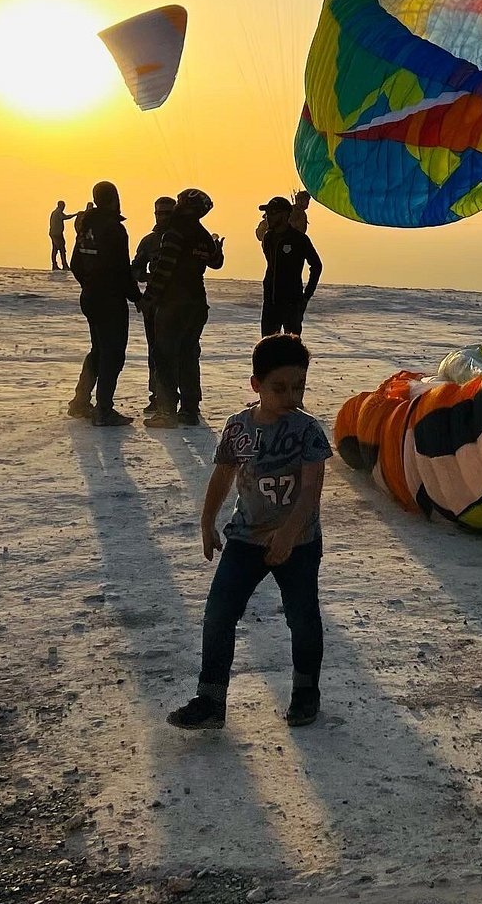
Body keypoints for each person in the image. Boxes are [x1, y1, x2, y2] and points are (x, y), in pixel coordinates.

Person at [166, 333, 331, 730]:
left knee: (302, 617)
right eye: (280, 387)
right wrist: (207, 522)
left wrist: (290, 534)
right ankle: (210, 699)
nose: (291, 396)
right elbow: (223, 475)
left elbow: (311, 490)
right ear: (256, 384)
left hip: (299, 541)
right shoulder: (238, 427)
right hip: (246, 537)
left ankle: (306, 693)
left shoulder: (308, 430)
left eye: (299, 387)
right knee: (219, 613)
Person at [142, 188, 225, 428]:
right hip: (196, 304)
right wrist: (217, 248)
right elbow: (216, 262)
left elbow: (163, 270)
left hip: (173, 304)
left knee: (164, 357)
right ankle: (190, 409)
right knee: (189, 356)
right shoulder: (202, 234)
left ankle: (167, 411)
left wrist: (148, 299)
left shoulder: (174, 233)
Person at [66, 182, 140, 426]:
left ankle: (80, 401)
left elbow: (76, 262)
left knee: (98, 350)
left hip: (90, 296)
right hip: (109, 299)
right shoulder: (114, 229)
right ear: (114, 198)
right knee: (112, 353)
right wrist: (137, 297)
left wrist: (89, 284)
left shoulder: (86, 226)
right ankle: (103, 409)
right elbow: (121, 269)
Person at [131, 196, 178, 415]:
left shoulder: (181, 238)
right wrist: (150, 278)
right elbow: (136, 269)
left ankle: (180, 399)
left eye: (168, 213)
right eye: (159, 213)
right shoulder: (149, 241)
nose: (163, 217)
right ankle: (157, 396)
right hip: (156, 304)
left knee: (181, 353)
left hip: (177, 304)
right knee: (156, 353)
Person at [259, 196, 322, 336]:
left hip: (292, 303)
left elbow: (316, 265)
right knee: (267, 349)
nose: (268, 217)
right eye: (267, 213)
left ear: (284, 215)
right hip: (271, 303)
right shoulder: (268, 237)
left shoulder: (299, 239)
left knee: (293, 350)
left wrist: (306, 296)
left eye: (272, 213)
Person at [48, 200, 81, 271]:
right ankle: (63, 265)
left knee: (55, 249)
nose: (64, 208)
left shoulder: (56, 212)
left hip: (55, 233)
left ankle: (56, 265)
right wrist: (75, 214)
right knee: (61, 249)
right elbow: (65, 217)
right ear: (61, 205)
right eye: (63, 206)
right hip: (57, 234)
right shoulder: (57, 213)